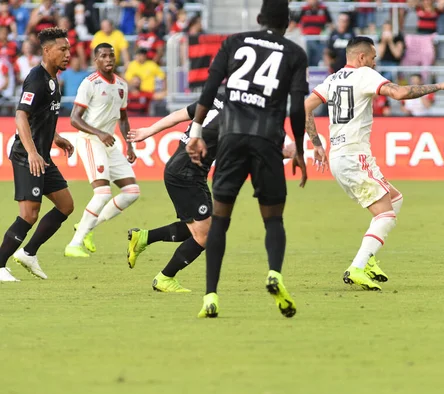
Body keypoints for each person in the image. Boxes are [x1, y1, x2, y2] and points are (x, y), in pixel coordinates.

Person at [304, 36, 444, 291]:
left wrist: (316, 144)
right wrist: (441, 86)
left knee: (395, 199)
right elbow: (400, 93)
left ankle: (369, 260)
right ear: (362, 58)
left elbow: (306, 106)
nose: (376, 62)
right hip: (356, 156)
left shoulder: (332, 80)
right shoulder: (365, 74)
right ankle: (357, 266)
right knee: (386, 215)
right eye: (374, 57)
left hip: (339, 156)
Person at [185, 0, 309, 318]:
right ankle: (274, 274)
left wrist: (196, 131)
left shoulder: (234, 42)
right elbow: (297, 108)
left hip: (231, 137)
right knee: (273, 220)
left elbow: (210, 88)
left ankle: (210, 296)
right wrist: (300, 150)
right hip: (267, 139)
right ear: (288, 24)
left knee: (220, 222)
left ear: (258, 18)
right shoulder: (295, 53)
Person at [126, 93, 297, 292]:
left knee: (202, 225)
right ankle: (165, 278)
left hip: (187, 171)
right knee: (206, 235)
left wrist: (149, 130)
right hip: (186, 174)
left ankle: (144, 237)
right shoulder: (239, 118)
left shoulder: (218, 98)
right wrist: (286, 151)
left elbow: (177, 115)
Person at [0, 27, 74, 282]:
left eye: (68, 49)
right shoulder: (36, 79)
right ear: (47, 50)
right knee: (29, 214)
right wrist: (32, 152)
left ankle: (29, 253)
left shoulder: (54, 81)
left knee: (66, 205)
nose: (68, 54)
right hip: (26, 155)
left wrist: (56, 137)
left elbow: (41, 116)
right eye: (62, 49)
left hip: (42, 155)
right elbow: (21, 115)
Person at [64, 43, 139, 258]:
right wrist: (99, 133)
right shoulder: (90, 84)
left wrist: (129, 144)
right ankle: (74, 244)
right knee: (103, 193)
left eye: (111, 55)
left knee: (132, 193)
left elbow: (123, 118)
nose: (108, 59)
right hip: (90, 140)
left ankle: (87, 227)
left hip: (109, 142)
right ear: (96, 61)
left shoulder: (122, 85)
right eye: (103, 56)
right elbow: (74, 119)